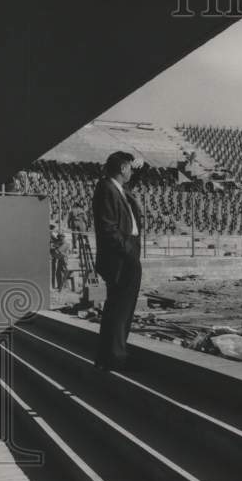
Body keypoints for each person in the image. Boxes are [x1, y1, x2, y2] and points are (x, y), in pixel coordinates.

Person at [93, 151, 144, 371]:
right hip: (121, 256)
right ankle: (115, 356)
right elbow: (107, 227)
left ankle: (110, 355)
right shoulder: (106, 188)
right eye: (129, 167)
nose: (131, 171)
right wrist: (127, 250)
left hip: (125, 252)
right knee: (120, 308)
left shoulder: (118, 188)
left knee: (120, 307)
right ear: (122, 168)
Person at [49, 223, 70, 291]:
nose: (58, 238)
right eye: (58, 237)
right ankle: (61, 286)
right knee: (58, 272)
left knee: (61, 272)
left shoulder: (65, 243)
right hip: (61, 259)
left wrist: (52, 248)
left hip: (64, 260)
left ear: (62, 237)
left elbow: (57, 252)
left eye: (60, 237)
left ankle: (63, 287)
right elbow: (54, 240)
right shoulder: (60, 242)